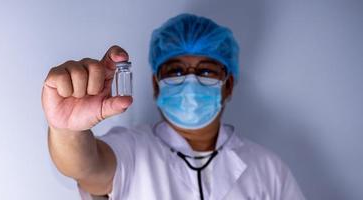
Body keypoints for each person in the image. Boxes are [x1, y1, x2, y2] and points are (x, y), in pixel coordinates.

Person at [41, 13, 305, 200]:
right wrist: (66, 131)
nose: (190, 80)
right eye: (176, 71)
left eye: (207, 71)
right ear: (156, 84)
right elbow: (86, 167)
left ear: (229, 85)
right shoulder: (131, 151)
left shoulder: (268, 168)